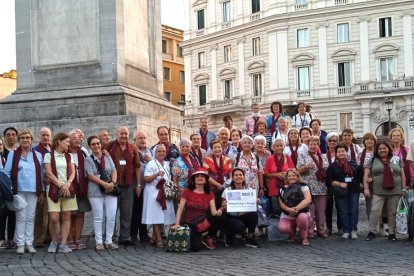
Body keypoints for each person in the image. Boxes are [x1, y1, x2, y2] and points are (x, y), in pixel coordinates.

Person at [4, 129, 44, 254]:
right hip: (18, 190)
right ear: (19, 140)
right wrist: (10, 190)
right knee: (21, 217)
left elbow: (42, 175)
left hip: (33, 190)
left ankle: (29, 243)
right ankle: (20, 244)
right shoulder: (13, 154)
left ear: (31, 140)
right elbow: (6, 172)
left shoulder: (37, 155)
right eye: (22, 138)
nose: (25, 140)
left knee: (31, 217)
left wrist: (42, 191)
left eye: (27, 137)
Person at [364, 141, 406, 242]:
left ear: (389, 149)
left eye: (384, 148)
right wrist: (366, 188)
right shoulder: (373, 159)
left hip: (395, 190)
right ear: (377, 150)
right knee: (375, 211)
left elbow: (402, 175)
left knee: (392, 213)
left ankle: (392, 233)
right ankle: (372, 232)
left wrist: (403, 188)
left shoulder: (396, 159)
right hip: (378, 191)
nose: (382, 150)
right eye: (380, 149)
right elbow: (366, 175)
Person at [173, 170, 223, 251]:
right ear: (193, 180)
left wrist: (221, 209)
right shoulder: (187, 192)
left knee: (219, 218)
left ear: (206, 180)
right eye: (197, 176)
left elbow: (214, 212)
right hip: (189, 223)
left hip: (203, 223)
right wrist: (177, 224)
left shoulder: (210, 194)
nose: (200, 178)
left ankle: (207, 237)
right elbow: (181, 208)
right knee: (195, 248)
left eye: (202, 176)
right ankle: (199, 236)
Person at [44, 132, 77, 253]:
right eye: (67, 141)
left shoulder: (69, 156)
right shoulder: (48, 156)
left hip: (68, 188)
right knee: (53, 217)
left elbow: (73, 172)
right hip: (54, 189)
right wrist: (61, 185)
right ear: (59, 141)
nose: (69, 144)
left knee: (66, 216)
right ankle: (53, 241)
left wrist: (67, 184)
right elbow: (49, 173)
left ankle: (63, 243)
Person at [85, 136, 119, 251]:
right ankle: (99, 242)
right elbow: (90, 175)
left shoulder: (107, 157)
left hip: (110, 190)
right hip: (95, 191)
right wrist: (105, 184)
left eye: (98, 143)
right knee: (98, 216)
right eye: (93, 144)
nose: (96, 146)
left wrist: (113, 183)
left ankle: (109, 240)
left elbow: (114, 170)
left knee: (111, 216)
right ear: (90, 146)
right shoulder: (88, 160)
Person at [109, 126, 141, 245]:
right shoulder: (110, 146)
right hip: (114, 184)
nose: (123, 136)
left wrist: (138, 184)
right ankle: (110, 237)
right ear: (117, 134)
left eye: (126, 134)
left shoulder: (133, 148)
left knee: (127, 213)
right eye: (121, 133)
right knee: (112, 212)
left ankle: (125, 237)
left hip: (128, 185)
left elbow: (137, 166)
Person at [142, 144, 176, 248]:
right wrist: (156, 174)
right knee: (155, 216)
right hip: (153, 193)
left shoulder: (166, 164)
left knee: (162, 216)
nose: (161, 153)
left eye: (163, 151)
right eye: (159, 151)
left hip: (164, 193)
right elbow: (146, 179)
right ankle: (159, 240)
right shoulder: (151, 163)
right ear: (155, 153)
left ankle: (154, 238)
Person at [326, 143, 363, 239]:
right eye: (339, 151)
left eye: (343, 151)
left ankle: (353, 230)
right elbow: (329, 181)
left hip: (354, 190)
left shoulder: (353, 164)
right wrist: (339, 183)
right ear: (336, 153)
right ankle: (346, 230)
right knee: (343, 210)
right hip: (340, 191)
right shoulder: (333, 166)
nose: (341, 153)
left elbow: (360, 176)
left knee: (354, 210)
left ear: (347, 152)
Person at [297, 136, 329, 238]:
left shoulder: (323, 156)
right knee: (310, 211)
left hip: (321, 187)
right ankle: (310, 231)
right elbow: (298, 171)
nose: (313, 146)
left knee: (321, 211)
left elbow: (328, 169)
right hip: (308, 187)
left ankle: (321, 230)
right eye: (311, 144)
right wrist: (306, 166)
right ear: (308, 145)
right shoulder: (302, 155)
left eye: (315, 144)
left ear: (318, 145)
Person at [221, 168, 259, 248]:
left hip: (245, 215)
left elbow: (253, 206)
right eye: (236, 175)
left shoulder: (249, 190)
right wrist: (224, 205)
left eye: (240, 175)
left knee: (254, 215)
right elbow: (223, 206)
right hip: (231, 216)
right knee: (239, 226)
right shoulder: (227, 191)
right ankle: (229, 234)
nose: (238, 177)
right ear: (232, 177)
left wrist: (256, 201)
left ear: (244, 177)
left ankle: (250, 237)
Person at [67, 131, 91, 250]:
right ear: (68, 141)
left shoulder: (83, 153)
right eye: (74, 138)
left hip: (82, 187)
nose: (77, 140)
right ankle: (70, 239)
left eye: (78, 138)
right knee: (70, 214)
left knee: (80, 213)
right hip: (69, 187)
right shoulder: (65, 153)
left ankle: (78, 238)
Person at [277, 169, 312, 246]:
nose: (291, 177)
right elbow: (282, 204)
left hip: (302, 212)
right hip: (288, 213)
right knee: (282, 227)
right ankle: (292, 232)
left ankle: (304, 237)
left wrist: (296, 209)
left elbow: (308, 200)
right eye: (289, 176)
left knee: (302, 218)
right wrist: (289, 210)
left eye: (293, 175)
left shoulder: (304, 186)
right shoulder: (282, 189)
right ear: (286, 178)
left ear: (297, 176)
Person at [264, 138, 295, 216]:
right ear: (273, 147)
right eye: (277, 146)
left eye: (281, 145)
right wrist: (276, 175)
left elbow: (293, 170)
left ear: (284, 146)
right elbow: (266, 174)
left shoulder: (287, 157)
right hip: (274, 187)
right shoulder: (270, 159)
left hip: (286, 186)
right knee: (276, 210)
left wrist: (286, 174)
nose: (279, 147)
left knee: (288, 207)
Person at [130, 130, 151, 244]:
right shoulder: (132, 151)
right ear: (135, 140)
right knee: (135, 211)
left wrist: (150, 160)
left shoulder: (150, 151)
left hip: (148, 187)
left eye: (144, 138)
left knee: (144, 211)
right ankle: (133, 234)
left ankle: (144, 234)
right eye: (140, 138)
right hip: (136, 186)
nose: (143, 140)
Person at [33, 127, 52, 247]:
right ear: (39, 136)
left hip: (54, 186)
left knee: (52, 213)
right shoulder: (35, 151)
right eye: (43, 135)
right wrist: (40, 190)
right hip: (42, 186)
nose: (45, 137)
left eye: (47, 135)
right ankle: (39, 238)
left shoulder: (54, 149)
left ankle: (50, 237)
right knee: (40, 213)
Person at [0, 127, 18, 249]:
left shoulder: (17, 152)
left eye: (13, 134)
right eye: (8, 134)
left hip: (13, 187)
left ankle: (11, 238)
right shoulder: (3, 153)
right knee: (2, 213)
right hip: (2, 188)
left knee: (13, 213)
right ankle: (2, 238)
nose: (11, 137)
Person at [203, 139, 233, 208]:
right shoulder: (207, 160)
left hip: (225, 188)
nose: (217, 149)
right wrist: (218, 185)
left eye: (219, 147)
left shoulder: (227, 159)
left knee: (225, 207)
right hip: (212, 188)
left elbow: (231, 175)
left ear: (222, 148)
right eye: (215, 147)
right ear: (212, 149)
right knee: (213, 207)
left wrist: (225, 185)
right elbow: (205, 175)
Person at [324, 132, 341, 235]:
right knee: (328, 207)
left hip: (339, 183)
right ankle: (329, 227)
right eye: (330, 141)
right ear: (327, 142)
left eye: (334, 141)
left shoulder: (341, 154)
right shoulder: (323, 155)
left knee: (340, 206)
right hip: (328, 184)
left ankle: (340, 227)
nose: (332, 142)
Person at [360, 133, 377, 220]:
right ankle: (372, 226)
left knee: (379, 204)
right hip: (366, 181)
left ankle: (381, 226)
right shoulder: (360, 153)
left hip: (378, 181)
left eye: (371, 139)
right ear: (364, 141)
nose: (369, 141)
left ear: (374, 141)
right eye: (367, 139)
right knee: (369, 204)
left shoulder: (378, 152)